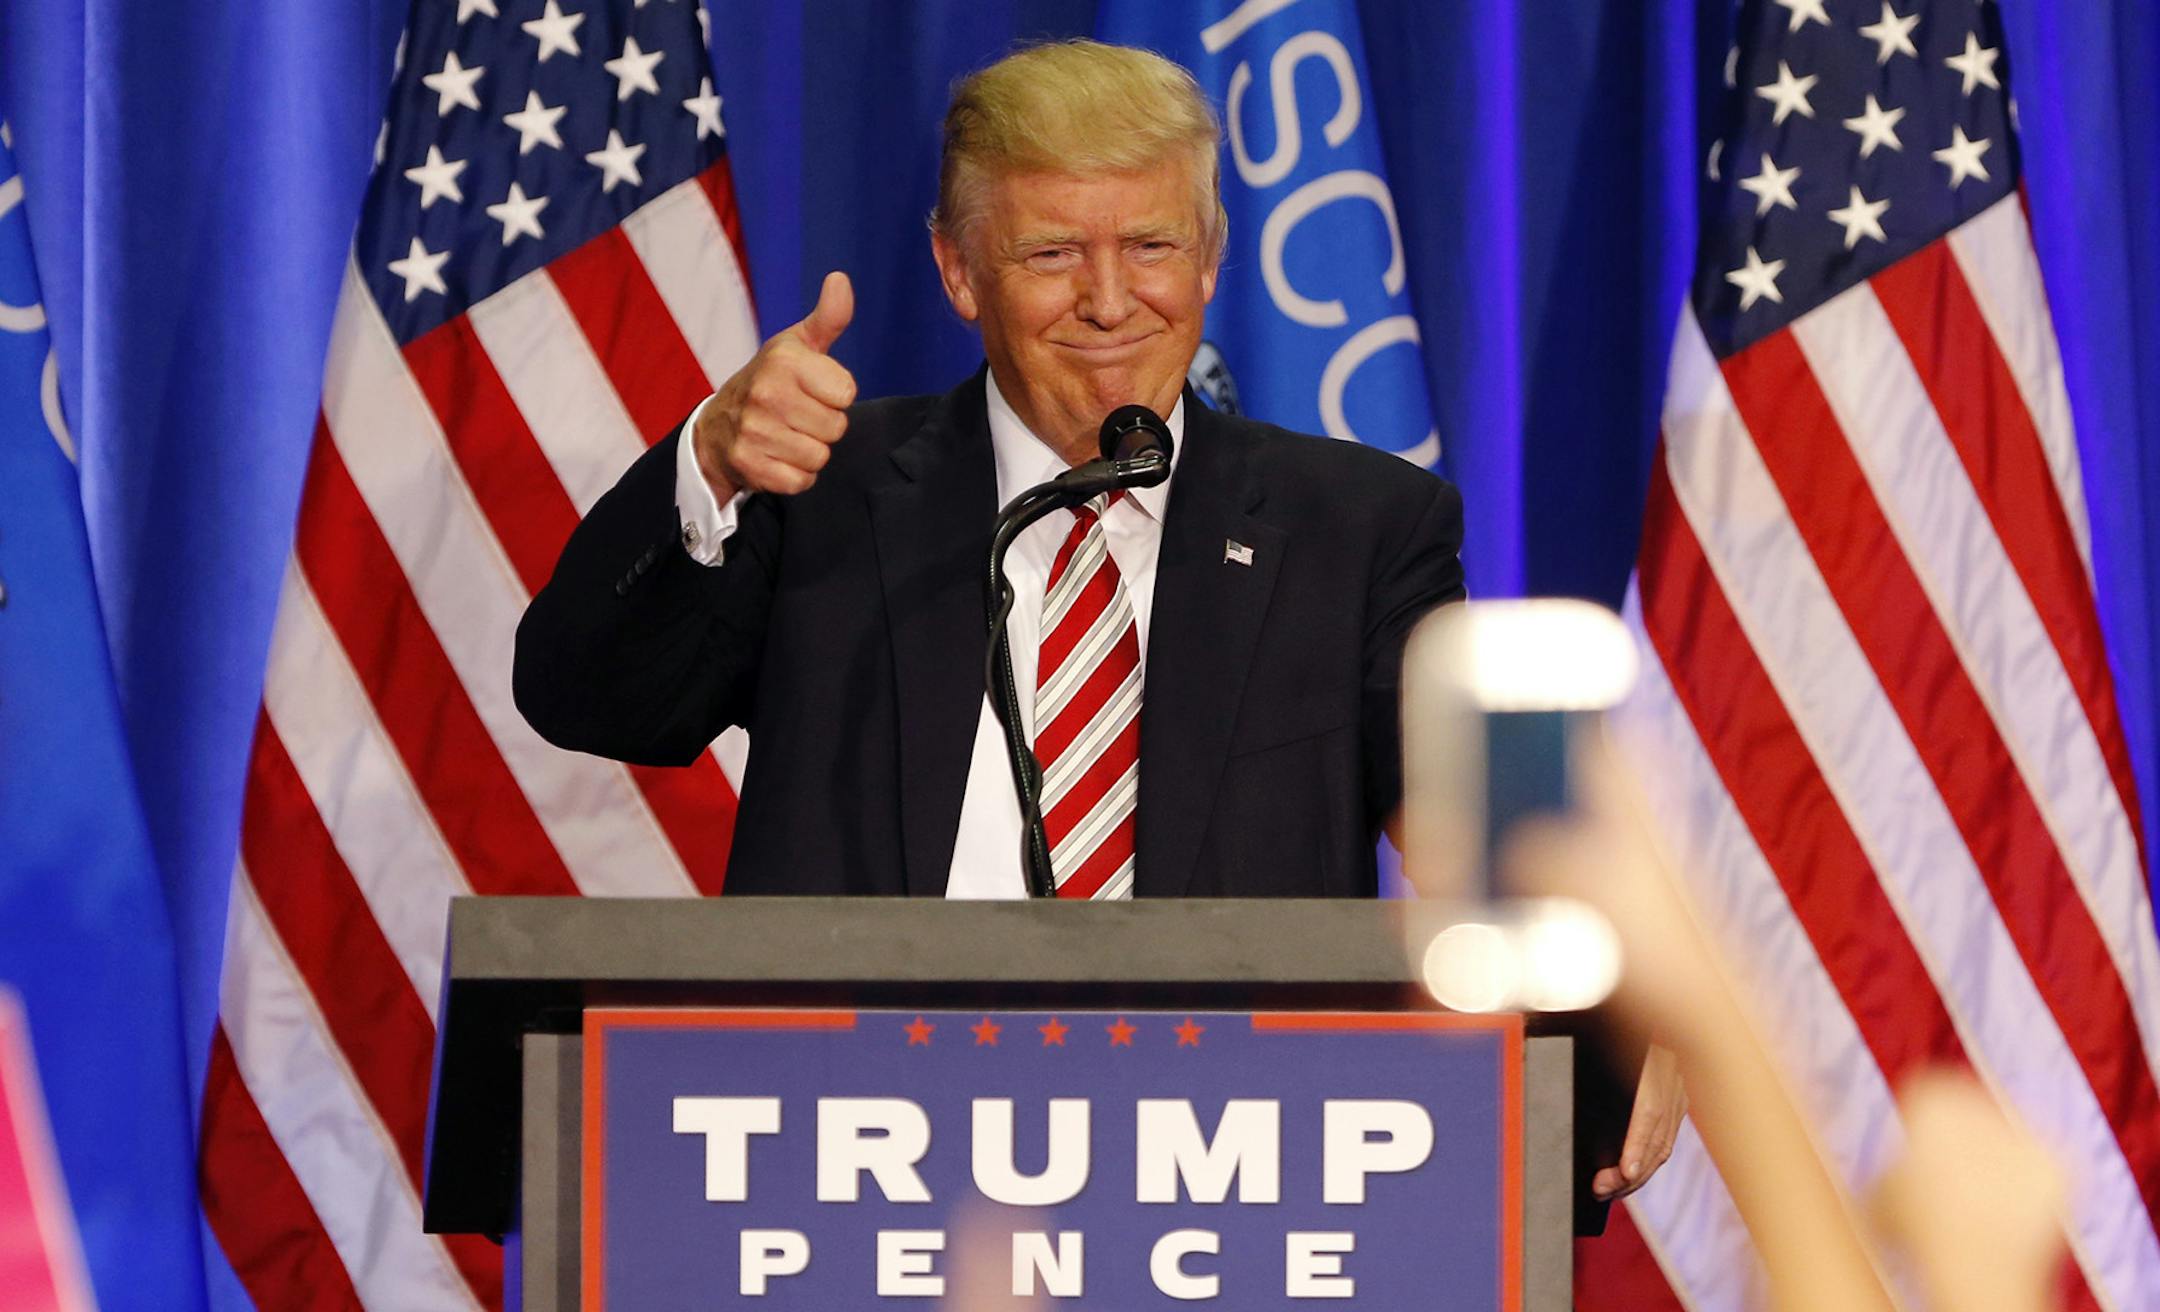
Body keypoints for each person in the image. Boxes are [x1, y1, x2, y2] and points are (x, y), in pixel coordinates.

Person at [513, 38, 1677, 1201]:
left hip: (1228, 1174)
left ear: (1212, 256)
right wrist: (709, 460)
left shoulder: (1358, 527)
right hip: (845, 1165)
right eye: (1053, 253)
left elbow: (1471, 827)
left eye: (1153, 245)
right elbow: (587, 694)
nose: (1112, 300)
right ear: (961, 272)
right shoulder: (827, 490)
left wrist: (1609, 995)